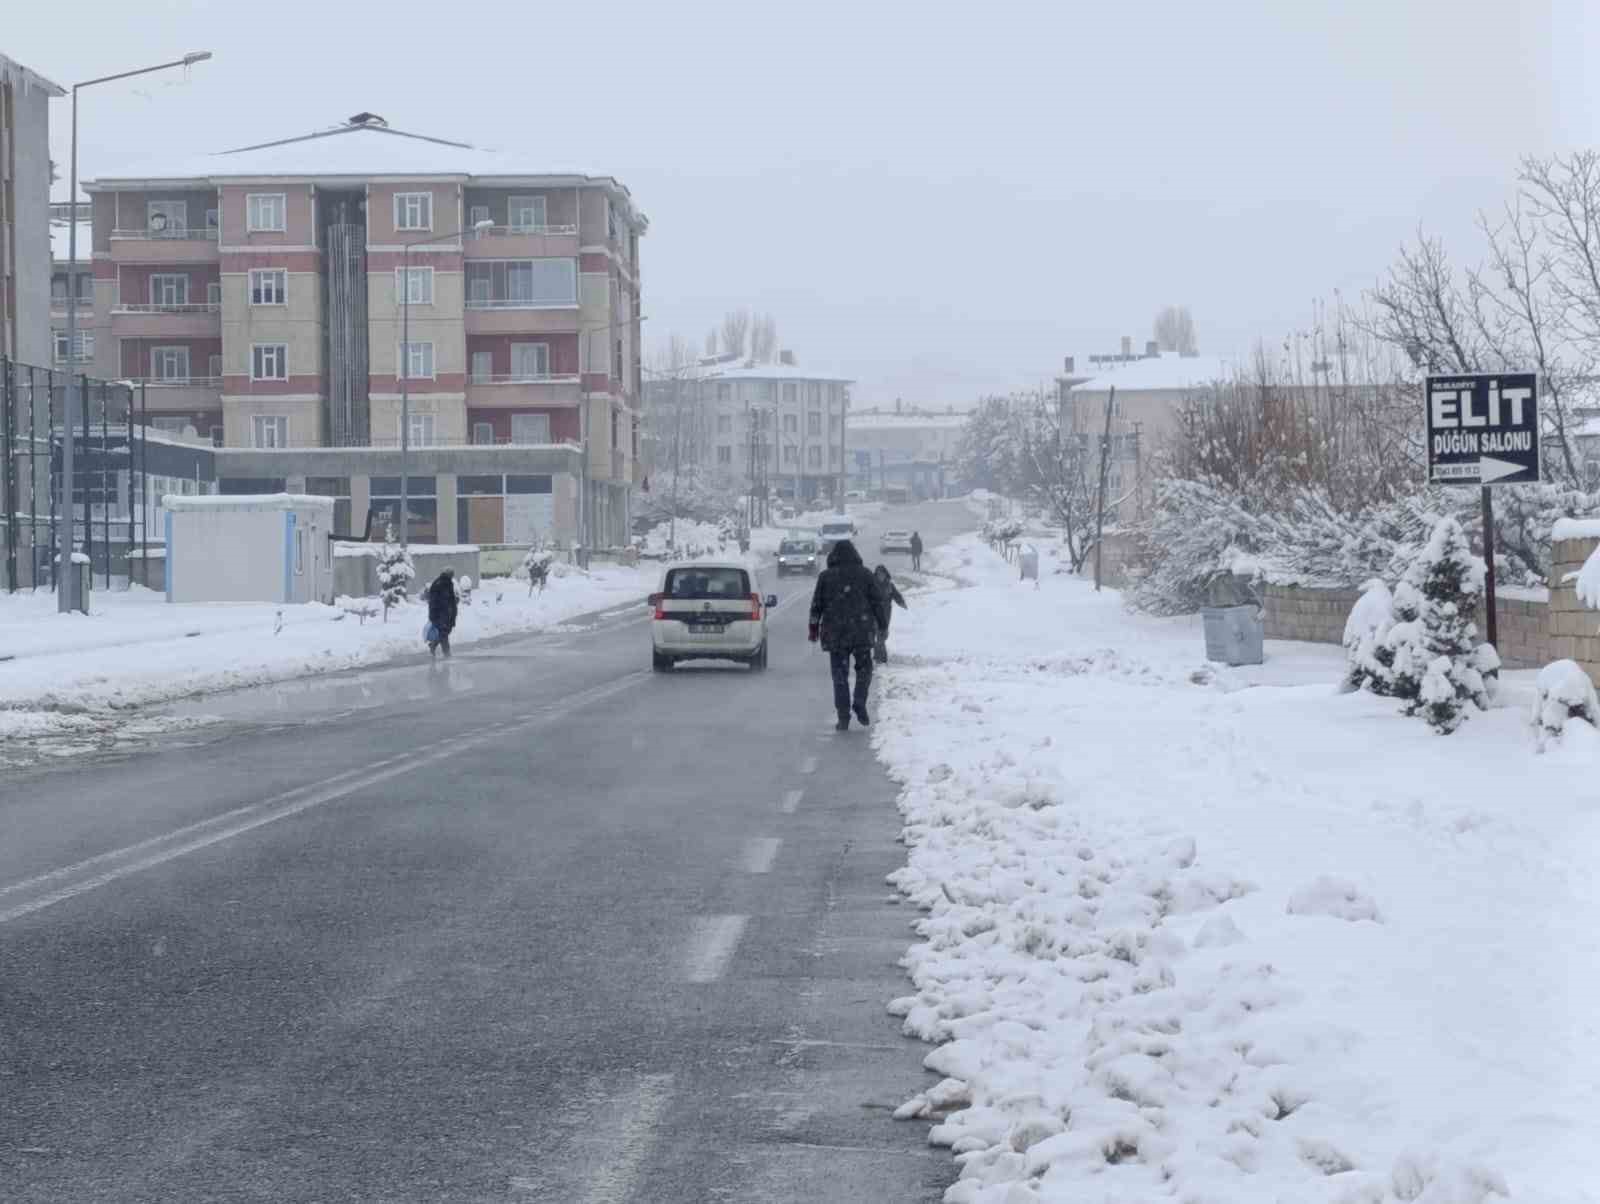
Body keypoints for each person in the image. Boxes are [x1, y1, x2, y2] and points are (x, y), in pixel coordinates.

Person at [808, 539, 889, 731]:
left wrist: (813, 629)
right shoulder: (866, 575)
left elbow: (816, 605)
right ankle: (859, 699)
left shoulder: (826, 577)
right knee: (864, 669)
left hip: (835, 633)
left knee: (839, 676)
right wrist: (882, 626)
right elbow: (877, 602)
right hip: (861, 631)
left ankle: (843, 716)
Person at [872, 564, 909, 664]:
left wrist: (902, 603)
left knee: (882, 634)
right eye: (879, 574)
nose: (881, 576)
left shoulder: (889, 585)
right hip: (874, 613)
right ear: (876, 575)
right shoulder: (871, 584)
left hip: (886, 613)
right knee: (877, 633)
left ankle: (878, 656)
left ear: (885, 574)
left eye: (882, 574)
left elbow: (896, 595)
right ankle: (881, 657)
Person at [424, 568, 458, 659]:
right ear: (448, 574)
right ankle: (447, 654)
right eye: (451, 575)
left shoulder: (448, 583)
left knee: (445, 632)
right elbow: (433, 601)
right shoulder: (439, 583)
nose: (452, 577)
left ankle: (433, 645)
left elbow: (451, 599)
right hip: (440, 614)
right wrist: (433, 614)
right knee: (444, 633)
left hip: (448, 614)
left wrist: (453, 612)